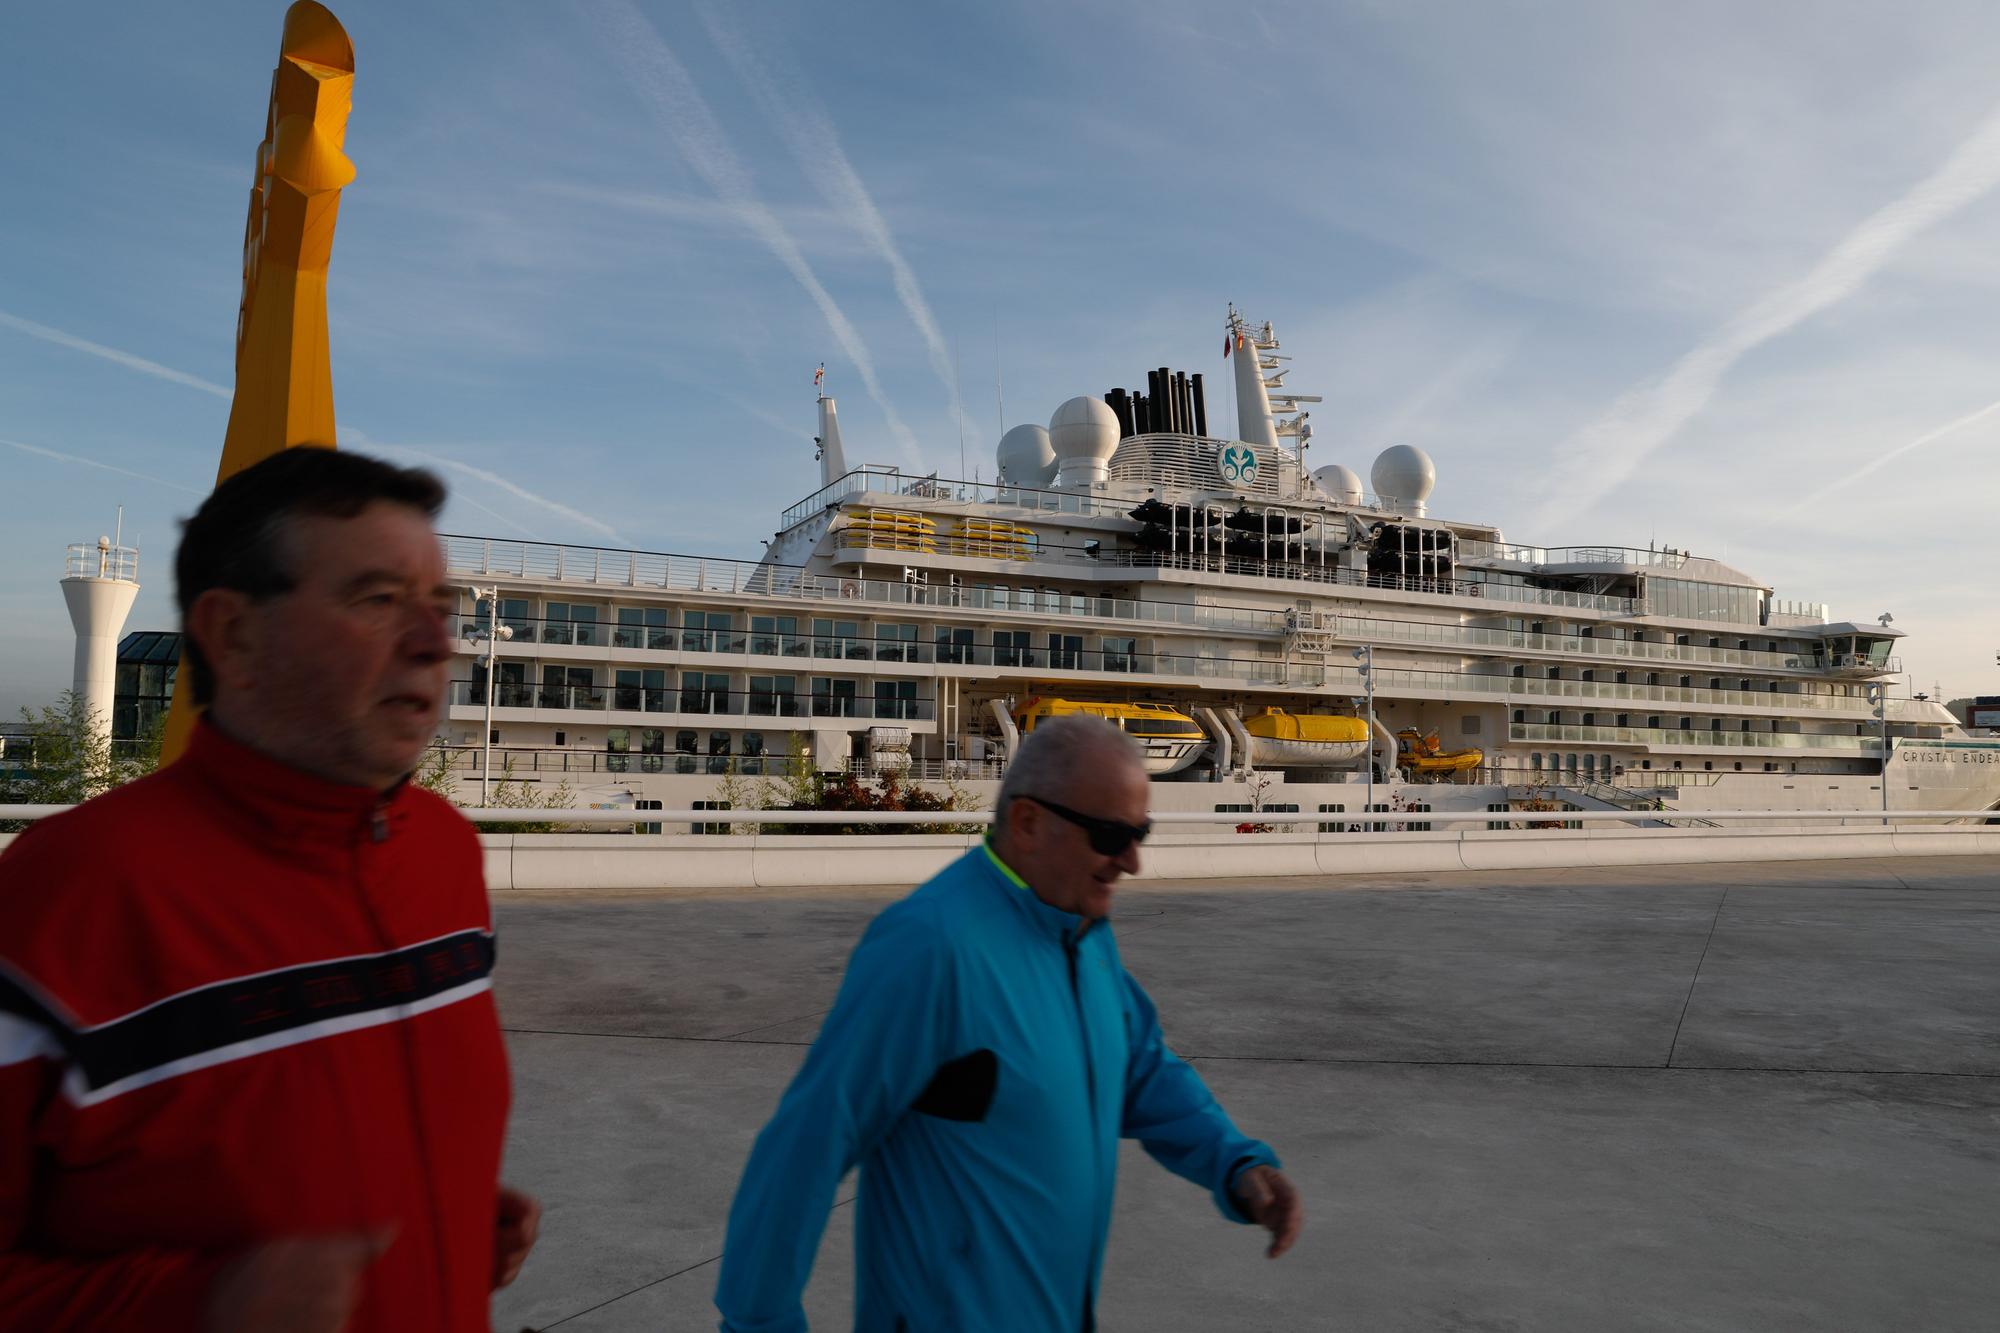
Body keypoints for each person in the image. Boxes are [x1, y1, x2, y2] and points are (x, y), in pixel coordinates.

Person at [0, 447, 537, 1330]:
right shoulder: (68, 895)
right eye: (377, 600)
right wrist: (202, 1305)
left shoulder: (443, 851)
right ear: (234, 635)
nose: (438, 641)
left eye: (440, 605)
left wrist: (441, 1224)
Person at [714, 714, 1302, 1332]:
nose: (1131, 862)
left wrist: (1235, 1163)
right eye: (1109, 835)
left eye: (1140, 832)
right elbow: (805, 1145)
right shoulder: (930, 947)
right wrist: (759, 1322)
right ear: (1027, 823)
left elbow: (1138, 1066)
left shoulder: (1078, 928)